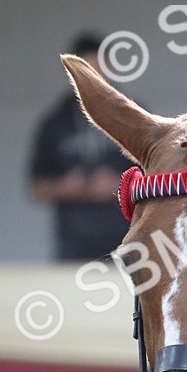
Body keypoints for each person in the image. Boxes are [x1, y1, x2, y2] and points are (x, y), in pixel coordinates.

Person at [28, 33, 131, 260]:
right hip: (74, 244)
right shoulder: (54, 123)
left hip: (126, 242)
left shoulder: (132, 116)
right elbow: (36, 187)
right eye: (86, 75)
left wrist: (119, 184)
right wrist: (66, 187)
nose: (93, 82)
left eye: (99, 73)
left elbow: (157, 176)